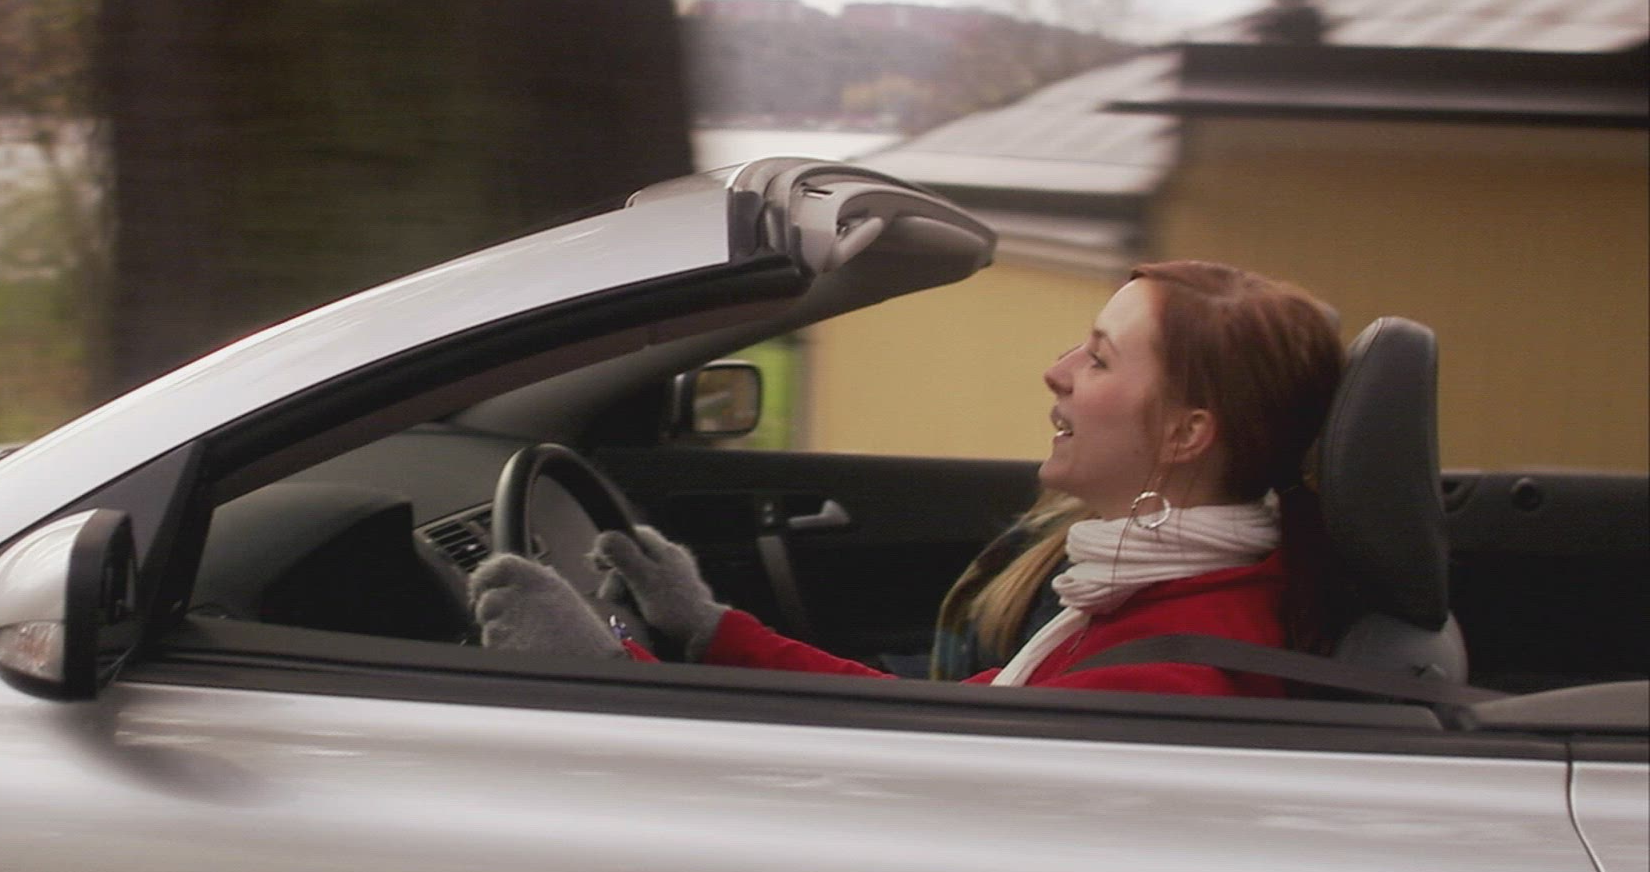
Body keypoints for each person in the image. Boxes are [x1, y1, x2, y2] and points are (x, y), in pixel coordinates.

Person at [470, 260, 1345, 698]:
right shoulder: (1158, 597)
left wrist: (607, 676)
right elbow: (928, 725)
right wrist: (709, 631)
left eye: (1101, 357)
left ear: (1187, 434)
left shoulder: (1166, 669)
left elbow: (896, 781)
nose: (1057, 371)